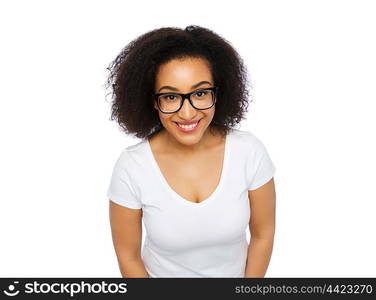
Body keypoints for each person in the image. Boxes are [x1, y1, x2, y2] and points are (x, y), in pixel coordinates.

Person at [105, 25, 276, 278]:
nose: (188, 113)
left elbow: (263, 235)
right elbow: (128, 256)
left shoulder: (248, 152)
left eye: (200, 93)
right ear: (153, 101)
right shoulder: (132, 166)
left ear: (218, 92)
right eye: (171, 97)